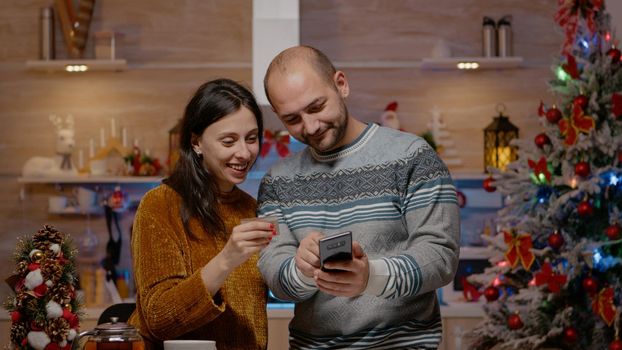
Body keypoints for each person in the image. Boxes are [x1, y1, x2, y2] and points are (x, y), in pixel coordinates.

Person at [257, 46, 460, 349]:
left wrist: (371, 277)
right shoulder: (277, 181)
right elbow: (275, 274)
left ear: (341, 84)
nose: (310, 127)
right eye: (293, 119)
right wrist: (301, 271)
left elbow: (441, 255)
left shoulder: (411, 156)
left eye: (316, 107)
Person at [128, 78, 275, 350]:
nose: (244, 152)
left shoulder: (252, 207)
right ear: (196, 142)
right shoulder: (160, 205)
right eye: (228, 141)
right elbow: (159, 318)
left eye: (251, 139)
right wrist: (227, 258)